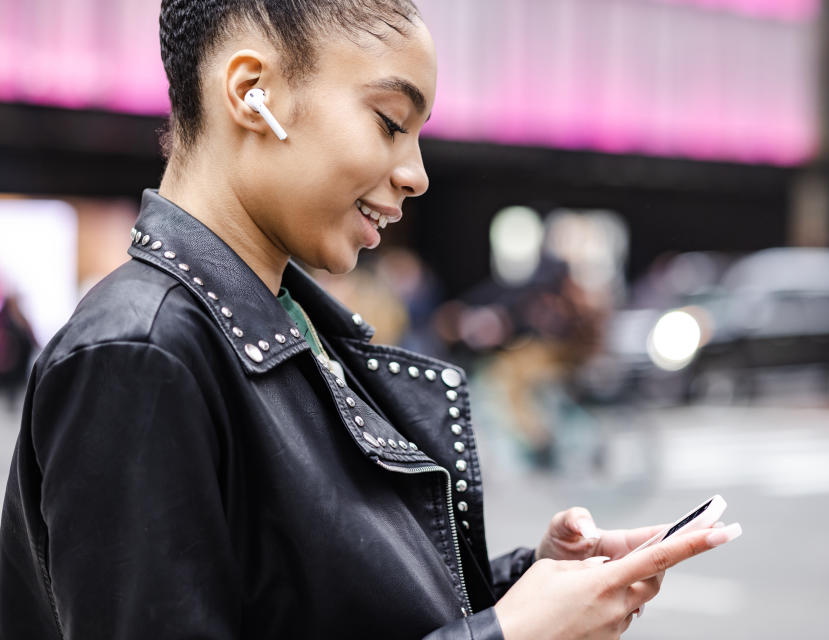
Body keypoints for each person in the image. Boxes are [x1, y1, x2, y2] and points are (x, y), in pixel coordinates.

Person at [0, 1, 742, 638]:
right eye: (391, 122)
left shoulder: (287, 329)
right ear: (252, 92)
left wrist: (528, 584)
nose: (416, 172)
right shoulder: (141, 353)